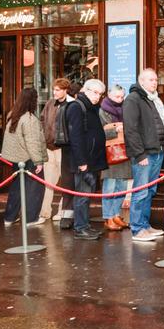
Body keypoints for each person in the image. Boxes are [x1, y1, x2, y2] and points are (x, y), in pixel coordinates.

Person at [123, 69, 164, 242]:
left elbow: (159, 125)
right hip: (144, 154)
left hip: (157, 152)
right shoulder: (133, 99)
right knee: (140, 192)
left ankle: (145, 225)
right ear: (141, 81)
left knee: (149, 191)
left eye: (156, 79)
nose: (154, 82)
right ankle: (137, 229)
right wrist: (140, 154)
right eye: (150, 80)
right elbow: (131, 130)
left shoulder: (152, 99)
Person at [64, 79, 107, 240]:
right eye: (95, 93)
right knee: (82, 195)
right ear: (86, 90)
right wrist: (82, 162)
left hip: (92, 159)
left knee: (86, 195)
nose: (98, 97)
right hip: (83, 161)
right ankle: (80, 227)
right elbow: (76, 137)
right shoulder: (77, 107)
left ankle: (85, 225)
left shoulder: (92, 108)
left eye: (100, 94)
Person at [0, 87, 47, 226]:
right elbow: (32, 142)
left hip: (16, 159)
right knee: (35, 188)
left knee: (16, 188)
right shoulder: (29, 119)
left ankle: (10, 217)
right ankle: (31, 219)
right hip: (29, 159)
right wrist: (39, 162)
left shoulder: (13, 115)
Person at [39, 78, 74, 224]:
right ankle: (45, 212)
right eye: (54, 89)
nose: (54, 92)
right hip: (49, 147)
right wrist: (44, 137)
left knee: (65, 182)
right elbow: (42, 120)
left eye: (58, 89)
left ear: (66, 90)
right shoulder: (49, 103)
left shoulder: (72, 104)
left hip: (63, 149)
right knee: (48, 183)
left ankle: (62, 211)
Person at [99, 85, 132, 232]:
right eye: (116, 97)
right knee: (110, 187)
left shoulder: (126, 108)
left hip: (124, 152)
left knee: (122, 187)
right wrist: (115, 129)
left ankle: (116, 214)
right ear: (109, 96)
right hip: (109, 154)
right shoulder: (102, 110)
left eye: (121, 97)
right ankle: (108, 217)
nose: (119, 100)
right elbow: (100, 132)